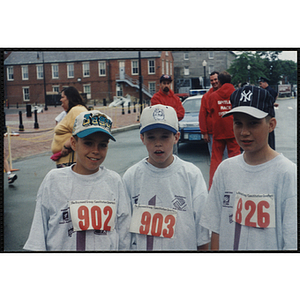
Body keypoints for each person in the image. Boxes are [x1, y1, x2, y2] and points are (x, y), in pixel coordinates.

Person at [200, 85, 297, 251]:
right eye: (238, 123)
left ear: (271, 124)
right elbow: (215, 228)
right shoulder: (225, 169)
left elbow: (291, 237)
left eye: (253, 123)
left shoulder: (287, 173)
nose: (244, 132)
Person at [24, 110, 131, 251]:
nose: (96, 150)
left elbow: (123, 234)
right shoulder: (54, 180)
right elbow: (38, 234)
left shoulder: (114, 181)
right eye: (88, 143)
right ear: (74, 143)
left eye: (103, 145)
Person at [123, 104, 210, 251]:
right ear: (142, 138)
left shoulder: (191, 175)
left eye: (165, 136)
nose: (158, 143)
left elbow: (202, 232)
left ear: (176, 137)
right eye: (151, 137)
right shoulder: (131, 177)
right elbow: (125, 230)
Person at [208, 71, 240, 189]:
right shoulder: (236, 94)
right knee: (235, 158)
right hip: (233, 130)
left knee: (216, 159)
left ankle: (213, 186)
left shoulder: (213, 96)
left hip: (218, 130)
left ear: (219, 82)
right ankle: (236, 184)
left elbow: (211, 111)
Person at [51, 86, 88, 168]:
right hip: (67, 160)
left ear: (69, 98)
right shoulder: (74, 111)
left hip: (70, 161)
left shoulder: (77, 110)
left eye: (63, 97)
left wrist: (66, 146)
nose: (60, 100)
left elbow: (82, 130)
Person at [199, 71, 219, 156]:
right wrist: (205, 133)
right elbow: (202, 115)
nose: (214, 82)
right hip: (212, 132)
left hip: (226, 132)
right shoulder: (206, 97)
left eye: (215, 79)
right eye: (211, 80)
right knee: (214, 156)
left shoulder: (227, 94)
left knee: (228, 157)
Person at [258, 77, 278, 150]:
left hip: (268, 113)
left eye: (261, 83)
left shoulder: (269, 91)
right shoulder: (265, 90)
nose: (260, 85)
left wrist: (272, 103)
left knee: (269, 132)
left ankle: (271, 148)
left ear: (265, 83)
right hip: (266, 112)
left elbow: (273, 97)